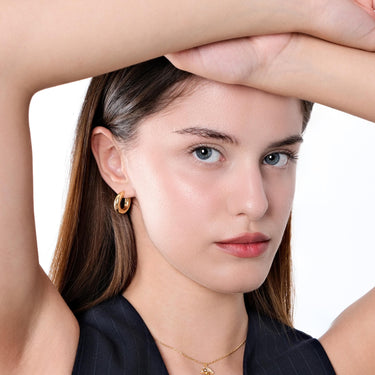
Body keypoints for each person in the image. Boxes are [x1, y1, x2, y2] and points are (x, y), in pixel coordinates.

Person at [0, 1, 374, 374]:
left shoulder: (333, 365)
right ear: (115, 162)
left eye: (275, 157)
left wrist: (274, 60)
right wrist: (302, 8)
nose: (255, 202)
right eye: (206, 152)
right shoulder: (39, 353)